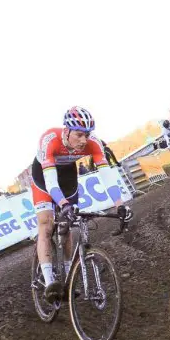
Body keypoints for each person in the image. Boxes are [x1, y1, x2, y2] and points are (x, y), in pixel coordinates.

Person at [32, 106, 132, 302]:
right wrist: (62, 204)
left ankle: (69, 278)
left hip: (68, 174)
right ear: (67, 131)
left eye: (87, 135)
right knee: (46, 223)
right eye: (79, 135)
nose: (84, 140)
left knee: (67, 226)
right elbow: (51, 183)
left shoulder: (93, 143)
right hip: (43, 178)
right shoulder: (49, 140)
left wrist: (120, 204)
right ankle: (50, 281)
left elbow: (107, 176)